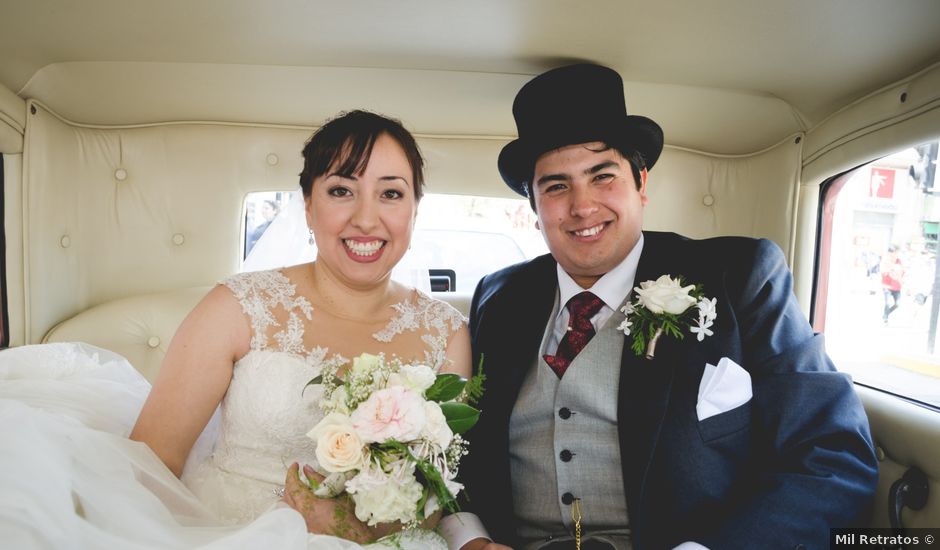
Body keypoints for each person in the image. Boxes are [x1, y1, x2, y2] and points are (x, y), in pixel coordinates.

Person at [440, 64, 878, 550]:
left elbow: (833, 455)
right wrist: (469, 538)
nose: (582, 207)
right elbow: (457, 453)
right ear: (534, 206)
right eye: (556, 186)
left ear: (641, 182)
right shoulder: (499, 298)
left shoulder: (740, 277)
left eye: (602, 176)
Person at [0, 110, 471, 549]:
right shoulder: (241, 306)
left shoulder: (445, 332)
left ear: (414, 210)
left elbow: (437, 497)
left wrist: (349, 528)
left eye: (391, 193)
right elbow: (151, 464)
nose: (367, 218)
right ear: (308, 207)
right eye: (341, 190)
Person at [881, 244, 904, 324]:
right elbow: (883, 272)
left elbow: (901, 272)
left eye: (897, 253)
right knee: (887, 303)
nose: (896, 254)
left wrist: (901, 279)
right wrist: (892, 269)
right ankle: (885, 318)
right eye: (894, 252)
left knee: (897, 304)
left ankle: (886, 314)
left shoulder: (899, 261)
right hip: (887, 286)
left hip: (897, 286)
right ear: (890, 253)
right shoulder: (885, 261)